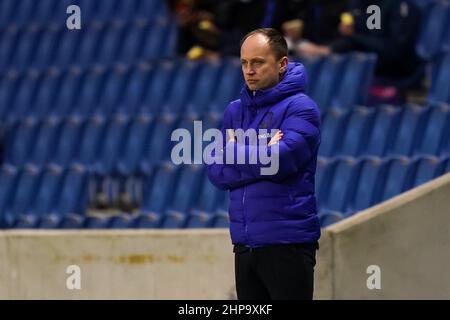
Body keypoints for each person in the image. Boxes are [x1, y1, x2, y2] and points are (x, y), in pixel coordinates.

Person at [206, 28, 321, 300]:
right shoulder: (235, 110)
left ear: (282, 64)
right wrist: (261, 149)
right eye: (244, 63)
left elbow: (279, 160)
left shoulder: (301, 107)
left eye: (257, 62)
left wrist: (233, 150)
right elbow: (216, 171)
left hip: (287, 242)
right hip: (244, 244)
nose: (249, 70)